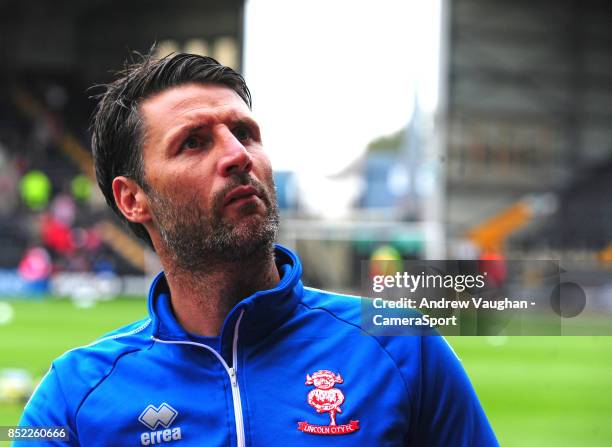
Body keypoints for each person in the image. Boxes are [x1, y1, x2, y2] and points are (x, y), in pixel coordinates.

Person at [17, 53, 499, 446]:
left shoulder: (405, 347)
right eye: (193, 143)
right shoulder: (71, 396)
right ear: (132, 199)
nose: (237, 155)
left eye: (245, 133)